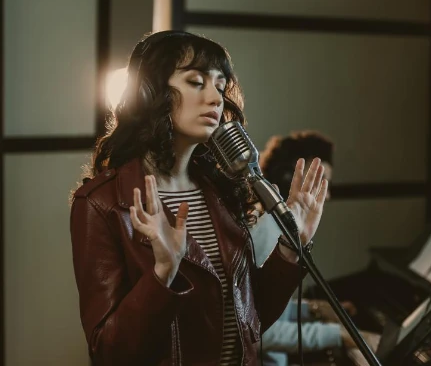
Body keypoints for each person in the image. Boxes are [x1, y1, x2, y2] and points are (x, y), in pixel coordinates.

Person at [69, 31, 329, 366]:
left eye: (220, 86)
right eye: (196, 82)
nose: (215, 98)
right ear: (151, 91)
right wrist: (163, 274)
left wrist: (291, 249)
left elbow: (250, 317)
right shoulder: (101, 204)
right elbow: (109, 352)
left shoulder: (220, 189)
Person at [254, 131, 380, 366]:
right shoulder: (264, 229)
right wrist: (340, 336)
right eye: (321, 185)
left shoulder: (275, 225)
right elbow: (259, 330)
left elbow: (263, 303)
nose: (328, 195)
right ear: (285, 179)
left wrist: (314, 309)